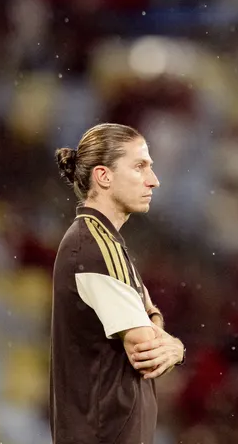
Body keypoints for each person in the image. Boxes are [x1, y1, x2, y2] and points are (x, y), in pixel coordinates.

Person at [49, 122, 186, 444]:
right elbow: (146, 348)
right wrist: (177, 347)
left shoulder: (103, 242)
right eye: (140, 167)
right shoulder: (95, 247)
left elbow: (149, 317)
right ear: (104, 176)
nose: (153, 180)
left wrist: (157, 328)